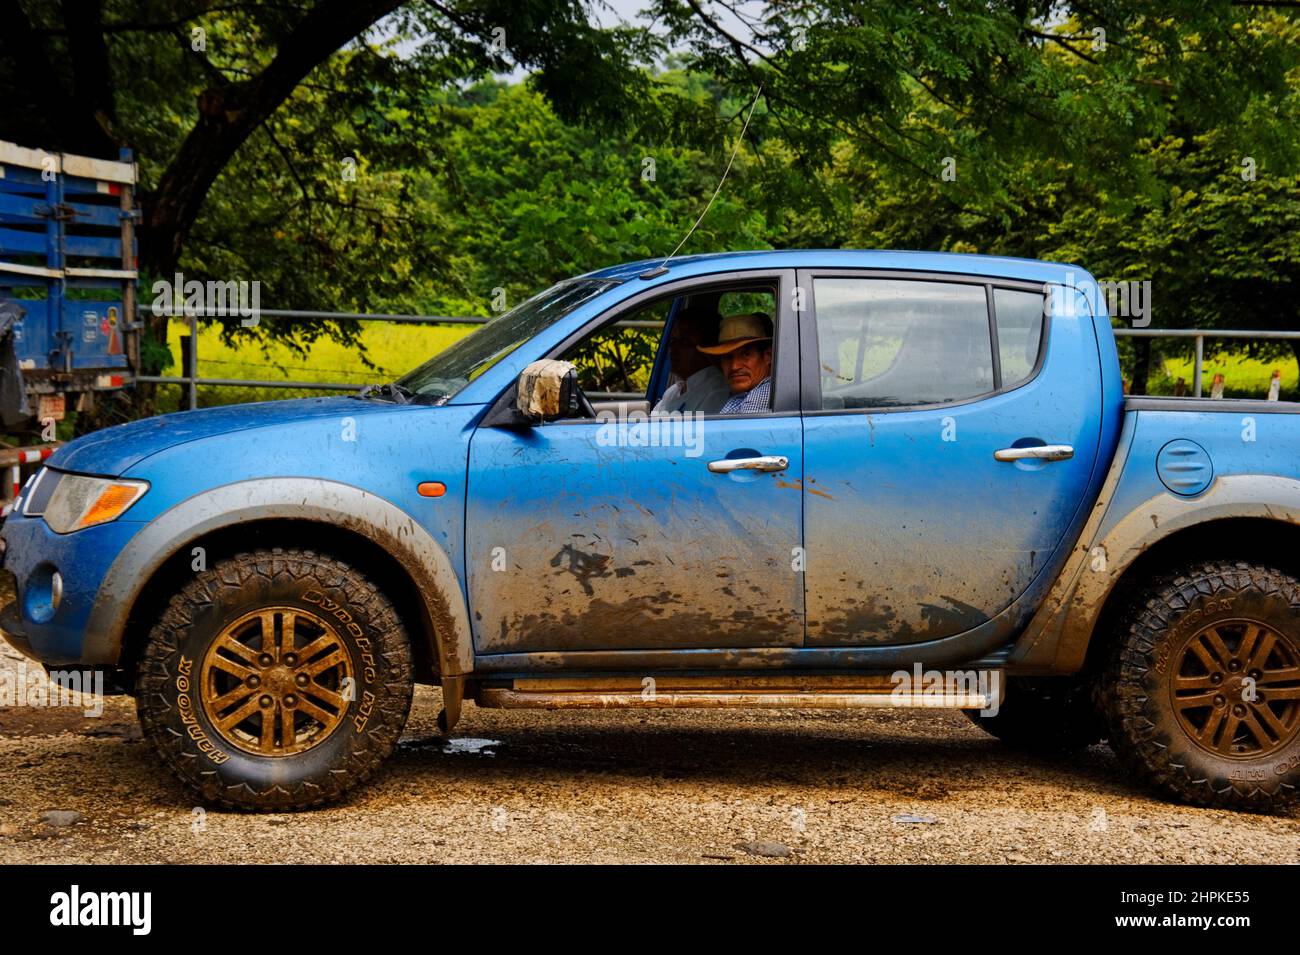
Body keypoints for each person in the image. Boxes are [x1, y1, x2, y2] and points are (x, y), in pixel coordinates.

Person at [650, 304, 730, 415]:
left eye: (684, 341)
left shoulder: (718, 392)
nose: (673, 348)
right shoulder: (673, 391)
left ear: (707, 347)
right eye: (673, 340)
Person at [698, 313, 773, 414]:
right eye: (727, 357)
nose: (734, 366)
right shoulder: (742, 396)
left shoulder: (762, 395)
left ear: (768, 356)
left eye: (745, 354)